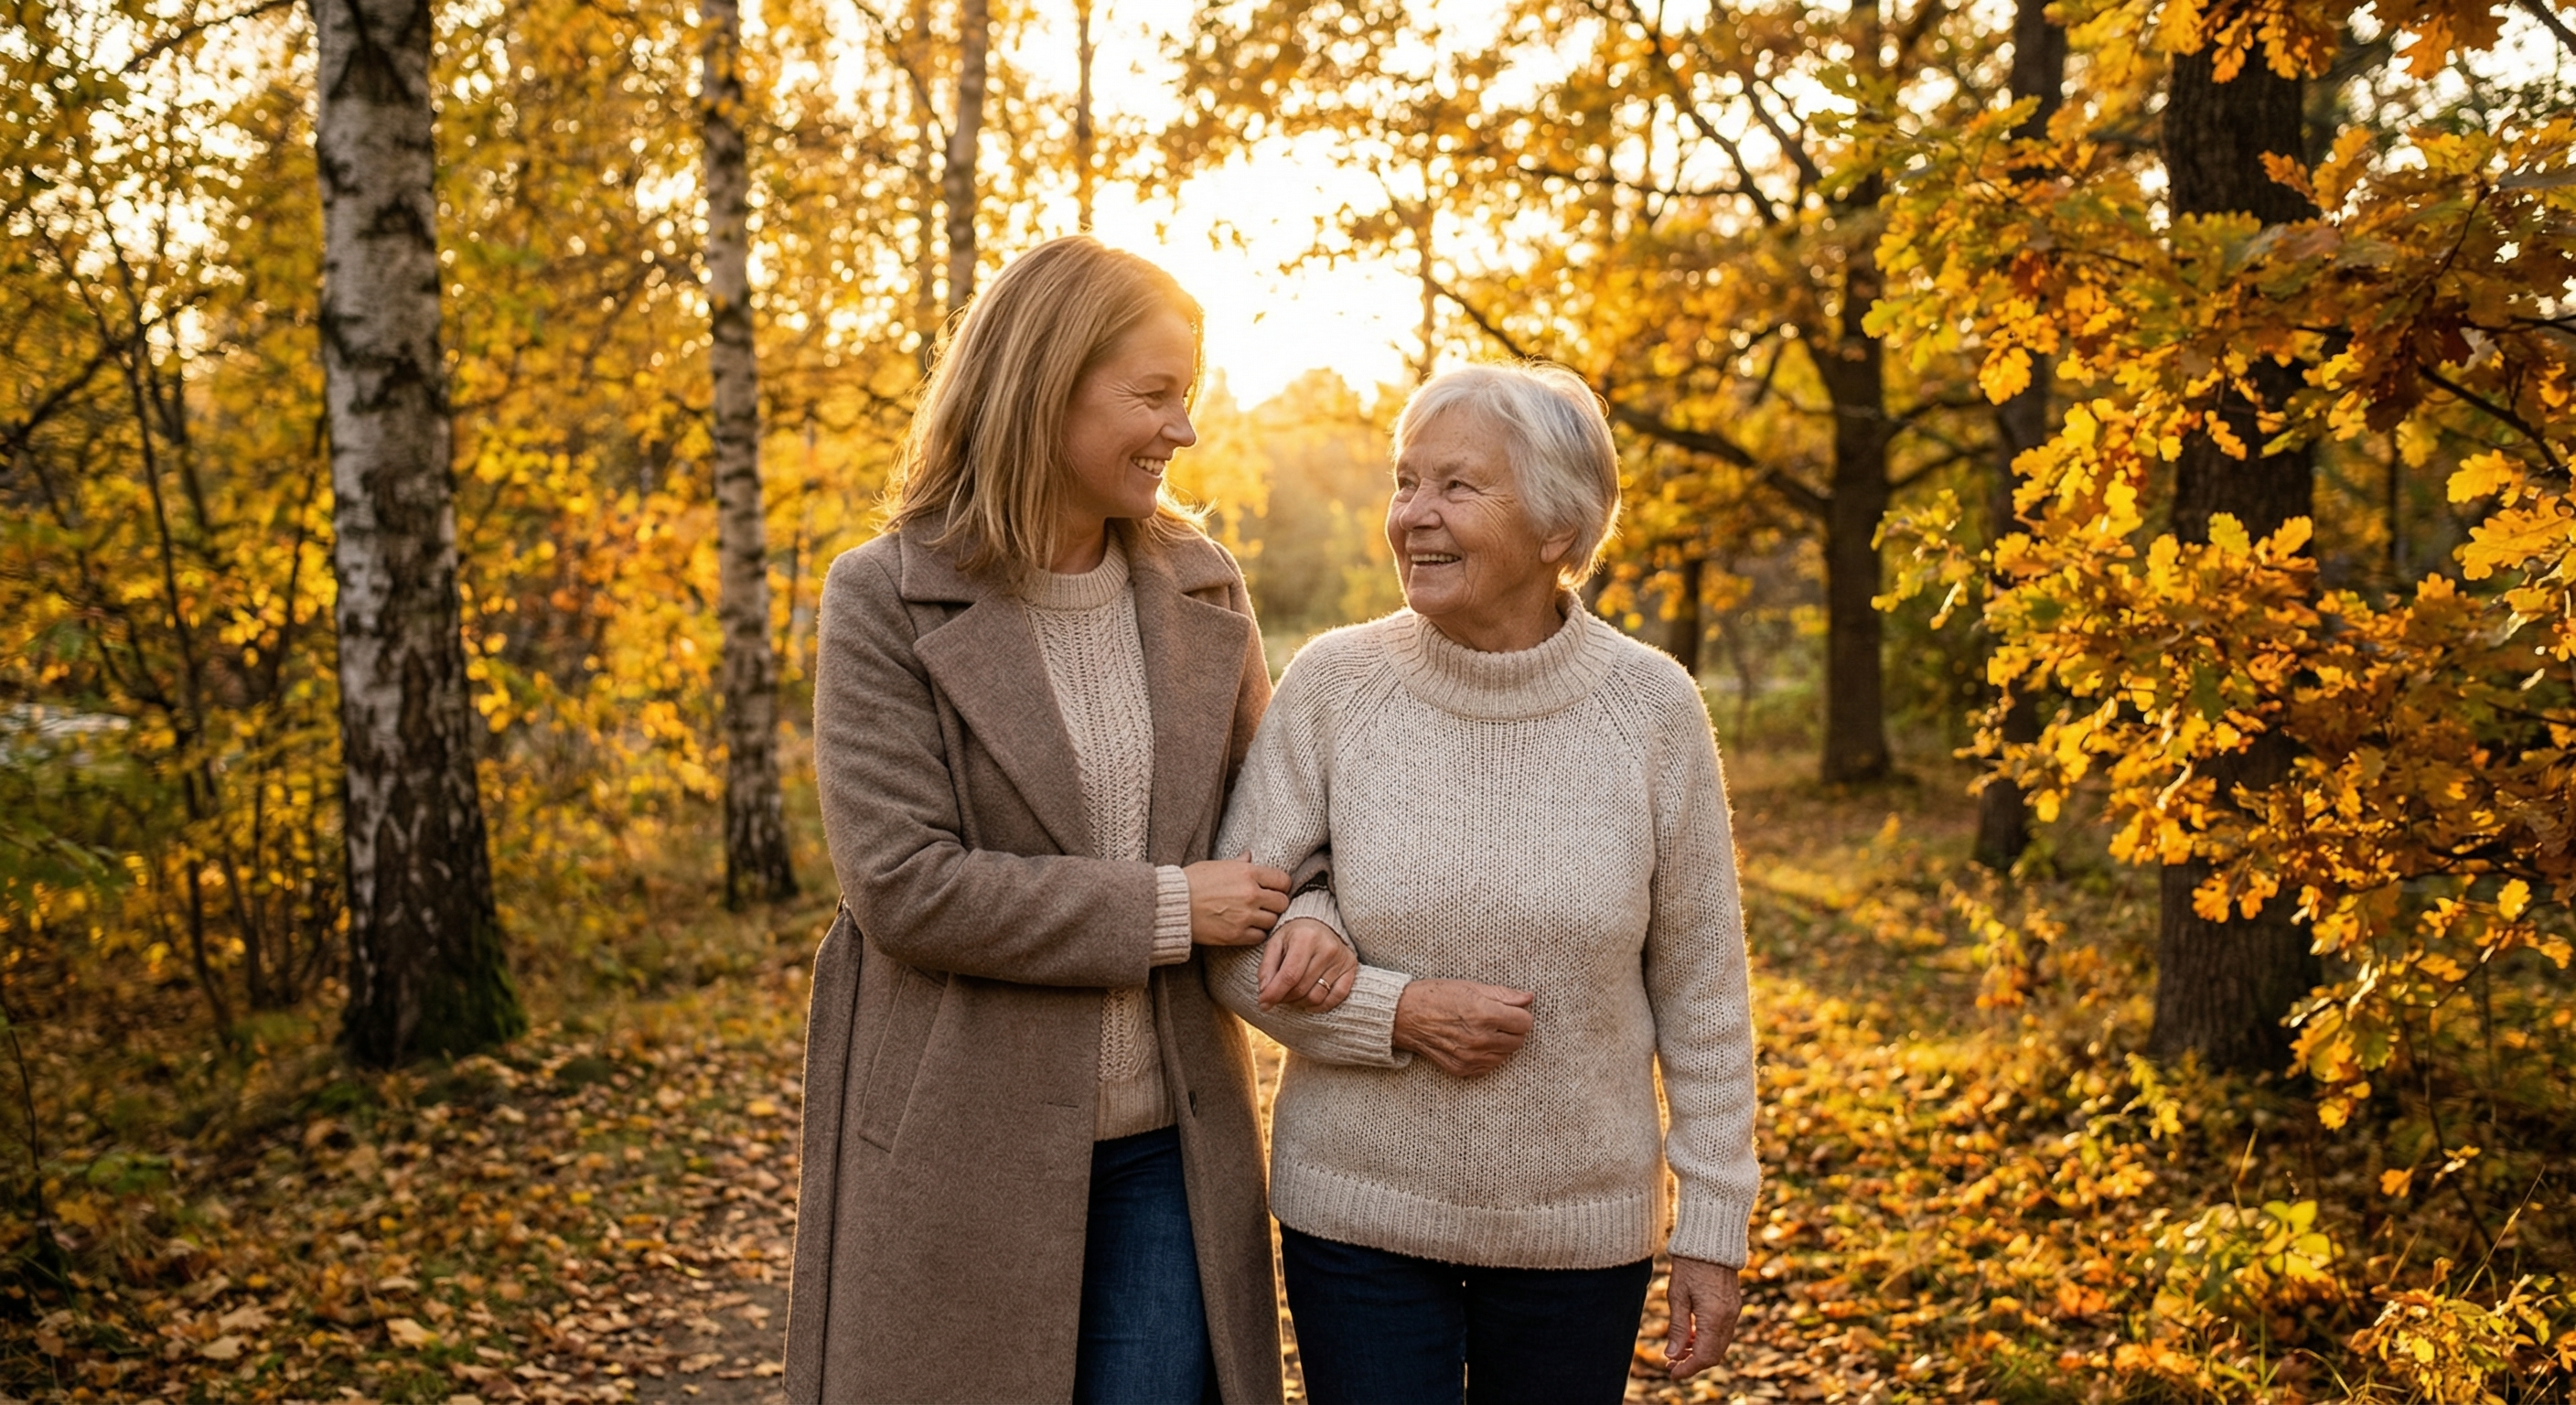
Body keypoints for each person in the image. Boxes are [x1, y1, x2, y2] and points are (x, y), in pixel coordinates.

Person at [785, 236, 1352, 1405]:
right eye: (1153, 396)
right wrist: (1163, 908)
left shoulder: (1204, 586)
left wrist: (1318, 912)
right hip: (960, 1144)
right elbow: (902, 884)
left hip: (1170, 1148)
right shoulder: (881, 597)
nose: (1180, 432)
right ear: (1044, 385)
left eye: (1184, 397)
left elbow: (1278, 832)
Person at [1210, 361, 1761, 1405]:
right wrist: (1396, 1012)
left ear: (1559, 529)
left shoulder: (1651, 711)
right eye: (1404, 480)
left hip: (1577, 1235)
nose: (1412, 515)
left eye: (1456, 487)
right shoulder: (1332, 686)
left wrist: (1713, 1227)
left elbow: (1703, 991)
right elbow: (1235, 940)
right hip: (1355, 1220)